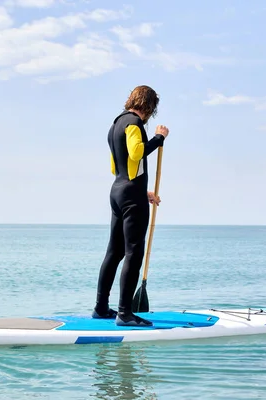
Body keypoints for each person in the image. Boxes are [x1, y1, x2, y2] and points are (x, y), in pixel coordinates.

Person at [92, 85, 169, 327]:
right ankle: (125, 314)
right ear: (149, 107)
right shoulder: (134, 124)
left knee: (113, 252)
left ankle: (101, 308)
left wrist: (140, 190)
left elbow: (118, 166)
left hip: (117, 191)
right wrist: (159, 138)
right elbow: (136, 153)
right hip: (130, 196)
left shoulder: (115, 125)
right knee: (133, 253)